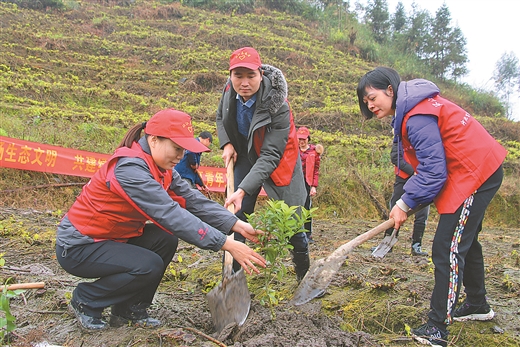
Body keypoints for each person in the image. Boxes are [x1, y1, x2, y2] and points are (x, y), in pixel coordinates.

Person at [56, 109, 266, 331]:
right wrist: (226, 244)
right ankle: (86, 299)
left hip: (112, 238)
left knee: (165, 239)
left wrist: (235, 224)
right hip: (80, 245)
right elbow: (170, 214)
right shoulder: (131, 170)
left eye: (183, 150)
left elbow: (192, 199)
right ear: (153, 140)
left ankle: (130, 308)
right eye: (176, 148)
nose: (180, 155)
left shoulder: (162, 168)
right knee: (148, 265)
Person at [357, 67, 507, 347]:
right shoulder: (407, 112)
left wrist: (405, 203)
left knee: (446, 247)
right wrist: (399, 203)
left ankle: (437, 328)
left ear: (390, 89)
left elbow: (433, 172)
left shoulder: (416, 115)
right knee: (466, 239)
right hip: (466, 170)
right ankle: (477, 304)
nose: (370, 105)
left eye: (372, 97)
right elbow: (408, 168)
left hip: (475, 172)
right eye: (365, 102)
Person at [216, 47, 310, 281]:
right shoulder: (229, 91)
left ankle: (303, 272)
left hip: (279, 159)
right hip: (246, 154)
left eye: (251, 75)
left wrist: (242, 189)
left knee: (292, 218)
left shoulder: (278, 105)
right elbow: (220, 117)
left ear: (261, 74)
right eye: (238, 75)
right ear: (230, 76)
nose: (244, 82)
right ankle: (233, 276)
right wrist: (227, 143)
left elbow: (269, 156)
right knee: (237, 214)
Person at [382, 139, 430, 256]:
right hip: (403, 178)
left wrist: (421, 173)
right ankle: (387, 245)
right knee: (394, 210)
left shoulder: (425, 137)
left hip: (421, 179)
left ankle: (416, 246)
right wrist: (413, 171)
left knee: (422, 214)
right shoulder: (400, 136)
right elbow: (395, 158)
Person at [297, 126, 322, 243]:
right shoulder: (293, 150)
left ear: (308, 139)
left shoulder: (313, 152)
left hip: (307, 183)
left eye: (304, 139)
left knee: (306, 208)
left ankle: (308, 235)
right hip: (295, 182)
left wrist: (313, 186)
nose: (301, 142)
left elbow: (316, 171)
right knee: (294, 207)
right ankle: (294, 233)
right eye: (299, 139)